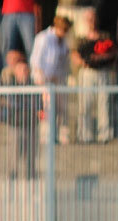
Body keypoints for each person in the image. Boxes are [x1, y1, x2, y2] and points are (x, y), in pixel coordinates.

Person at [72, 7, 117, 143]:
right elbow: (74, 54)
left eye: (93, 18)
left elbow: (114, 51)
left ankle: (104, 134)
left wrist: (102, 58)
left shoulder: (105, 36)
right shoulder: (81, 38)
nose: (91, 21)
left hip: (103, 72)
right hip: (87, 72)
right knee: (85, 103)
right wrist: (83, 62)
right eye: (89, 18)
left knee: (105, 103)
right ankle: (85, 135)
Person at [30, 15, 72, 144]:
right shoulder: (44, 38)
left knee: (60, 109)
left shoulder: (63, 41)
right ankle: (46, 136)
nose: (64, 33)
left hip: (58, 80)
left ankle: (57, 135)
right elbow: (35, 60)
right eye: (63, 30)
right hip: (44, 81)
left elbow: (63, 61)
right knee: (47, 109)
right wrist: (42, 79)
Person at [4, 60, 41, 178]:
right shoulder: (12, 87)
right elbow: (12, 104)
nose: (24, 72)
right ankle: (12, 177)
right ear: (15, 72)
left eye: (26, 70)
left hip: (32, 125)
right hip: (17, 125)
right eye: (21, 70)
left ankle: (31, 176)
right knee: (14, 155)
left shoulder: (33, 86)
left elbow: (38, 104)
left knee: (31, 155)